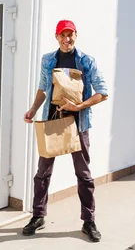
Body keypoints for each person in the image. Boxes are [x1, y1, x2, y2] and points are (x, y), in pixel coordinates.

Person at [22, 19, 109, 242]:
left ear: (76, 36)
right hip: (52, 122)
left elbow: (102, 92)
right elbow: (43, 88)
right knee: (42, 173)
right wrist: (32, 110)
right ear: (57, 37)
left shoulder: (86, 61)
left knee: (84, 175)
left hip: (78, 125)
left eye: (70, 35)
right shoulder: (48, 60)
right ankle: (38, 216)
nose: (67, 39)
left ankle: (89, 222)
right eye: (63, 35)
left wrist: (78, 106)